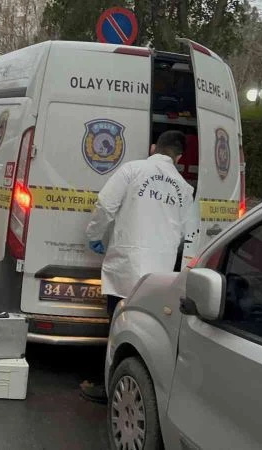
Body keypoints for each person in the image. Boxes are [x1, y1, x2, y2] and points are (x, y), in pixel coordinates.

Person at [79, 130, 201, 403]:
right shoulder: (185, 188)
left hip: (126, 268)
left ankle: (107, 386)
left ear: (153, 147)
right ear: (179, 157)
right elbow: (188, 233)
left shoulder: (132, 170)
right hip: (159, 276)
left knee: (118, 325)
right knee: (145, 332)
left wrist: (95, 235)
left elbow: (106, 205)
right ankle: (136, 388)